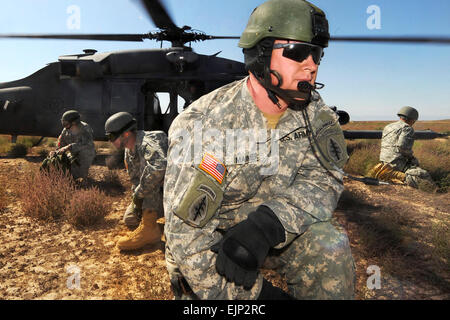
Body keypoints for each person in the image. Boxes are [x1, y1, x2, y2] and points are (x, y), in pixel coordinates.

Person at [163, 0, 355, 300]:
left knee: (328, 243)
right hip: (211, 242)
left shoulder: (317, 115)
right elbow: (186, 236)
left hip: (277, 233)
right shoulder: (202, 125)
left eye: (317, 54)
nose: (312, 65)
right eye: (297, 52)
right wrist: (259, 298)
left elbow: (325, 179)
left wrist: (269, 224)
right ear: (260, 53)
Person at [105, 112, 168, 251]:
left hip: (171, 194)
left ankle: (149, 230)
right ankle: (155, 222)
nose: (110, 141)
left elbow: (159, 167)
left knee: (151, 179)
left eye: (111, 136)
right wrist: (136, 200)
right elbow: (135, 181)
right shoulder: (129, 151)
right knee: (130, 219)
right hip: (157, 197)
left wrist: (139, 194)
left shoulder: (146, 143)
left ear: (126, 134)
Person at [368, 106, 435, 188]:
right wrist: (411, 158)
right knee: (423, 174)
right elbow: (403, 147)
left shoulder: (388, 126)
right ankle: (394, 175)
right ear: (413, 119)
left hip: (384, 160)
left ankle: (387, 171)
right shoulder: (407, 128)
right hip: (396, 162)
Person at [51, 110, 96, 181]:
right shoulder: (66, 129)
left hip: (86, 154)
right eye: (63, 123)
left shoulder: (85, 128)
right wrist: (56, 151)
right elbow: (61, 142)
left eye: (66, 123)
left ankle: (83, 175)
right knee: (64, 170)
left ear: (74, 122)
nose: (64, 126)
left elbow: (87, 144)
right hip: (73, 154)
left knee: (75, 176)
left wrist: (70, 146)